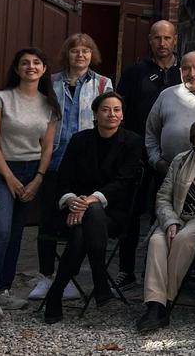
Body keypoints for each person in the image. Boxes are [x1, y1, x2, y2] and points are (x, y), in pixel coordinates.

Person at [42, 92, 142, 323]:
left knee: (88, 221)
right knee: (81, 231)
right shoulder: (79, 140)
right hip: (74, 210)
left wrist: (87, 202)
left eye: (117, 110)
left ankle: (56, 292)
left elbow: (124, 182)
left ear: (123, 115)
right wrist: (71, 201)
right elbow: (63, 179)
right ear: (95, 114)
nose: (111, 114)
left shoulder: (132, 141)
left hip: (114, 212)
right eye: (105, 109)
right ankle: (99, 278)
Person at [0, 48, 61, 319]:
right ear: (16, 69)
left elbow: (47, 147)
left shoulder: (49, 104)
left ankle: (4, 291)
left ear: (44, 69)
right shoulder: (0, 99)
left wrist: (38, 178)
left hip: (31, 172)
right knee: (1, 230)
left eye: (37, 62)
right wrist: (10, 178)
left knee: (15, 233)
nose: (31, 67)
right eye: (25, 63)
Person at [32, 34, 113, 301]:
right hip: (53, 158)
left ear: (93, 55)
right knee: (47, 219)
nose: (80, 55)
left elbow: (106, 118)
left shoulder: (103, 83)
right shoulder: (51, 81)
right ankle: (45, 276)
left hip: (85, 163)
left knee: (76, 219)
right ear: (67, 54)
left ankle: (68, 278)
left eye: (86, 51)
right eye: (75, 51)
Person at [136, 118, 195, 335]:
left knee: (184, 238)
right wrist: (170, 220)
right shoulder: (181, 161)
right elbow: (163, 197)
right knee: (156, 241)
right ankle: (155, 305)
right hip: (179, 214)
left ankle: (164, 302)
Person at [116, 20, 181, 288]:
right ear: (150, 40)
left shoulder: (184, 72)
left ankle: (158, 270)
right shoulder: (134, 72)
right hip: (138, 154)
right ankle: (126, 269)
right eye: (157, 38)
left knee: (165, 213)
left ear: (175, 40)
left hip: (174, 158)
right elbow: (121, 110)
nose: (162, 43)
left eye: (167, 38)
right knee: (131, 212)